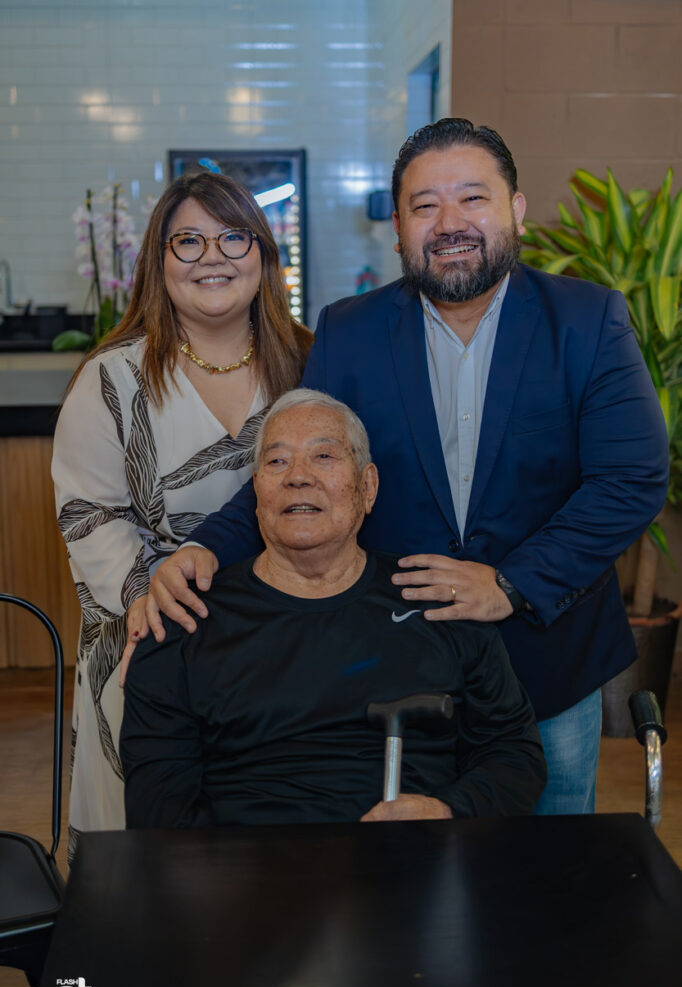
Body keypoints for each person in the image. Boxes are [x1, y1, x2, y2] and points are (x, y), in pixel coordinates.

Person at [143, 118, 669, 816]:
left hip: (549, 658)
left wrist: (510, 583)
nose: (450, 223)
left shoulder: (587, 319)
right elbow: (306, 468)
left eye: (473, 198)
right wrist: (204, 550)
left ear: (516, 209)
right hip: (400, 664)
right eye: (425, 205)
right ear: (398, 228)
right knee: (406, 858)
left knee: (546, 864)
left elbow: (631, 478)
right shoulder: (348, 330)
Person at [121, 390, 546, 827]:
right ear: (257, 492)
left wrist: (448, 810)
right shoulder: (185, 621)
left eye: (323, 456)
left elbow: (514, 753)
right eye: (277, 461)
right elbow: (158, 805)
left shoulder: (437, 601)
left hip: (410, 861)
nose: (298, 477)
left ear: (368, 487)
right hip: (245, 865)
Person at [52, 171, 312, 853]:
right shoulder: (111, 378)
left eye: (233, 237)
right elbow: (90, 515)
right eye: (188, 241)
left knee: (280, 849)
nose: (212, 257)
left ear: (263, 253)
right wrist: (155, 605)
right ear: (158, 260)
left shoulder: (309, 363)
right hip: (152, 640)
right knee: (150, 862)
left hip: (288, 640)